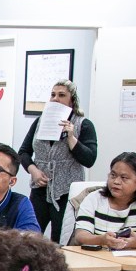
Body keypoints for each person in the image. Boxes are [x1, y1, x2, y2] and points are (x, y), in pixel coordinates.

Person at [18, 80, 99, 242]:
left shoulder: (84, 124)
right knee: (29, 238)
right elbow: (23, 152)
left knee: (60, 239)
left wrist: (71, 138)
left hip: (66, 192)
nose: (55, 99)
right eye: (53, 95)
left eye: (61, 95)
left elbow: (89, 159)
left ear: (72, 100)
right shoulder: (40, 122)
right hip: (40, 190)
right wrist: (33, 171)